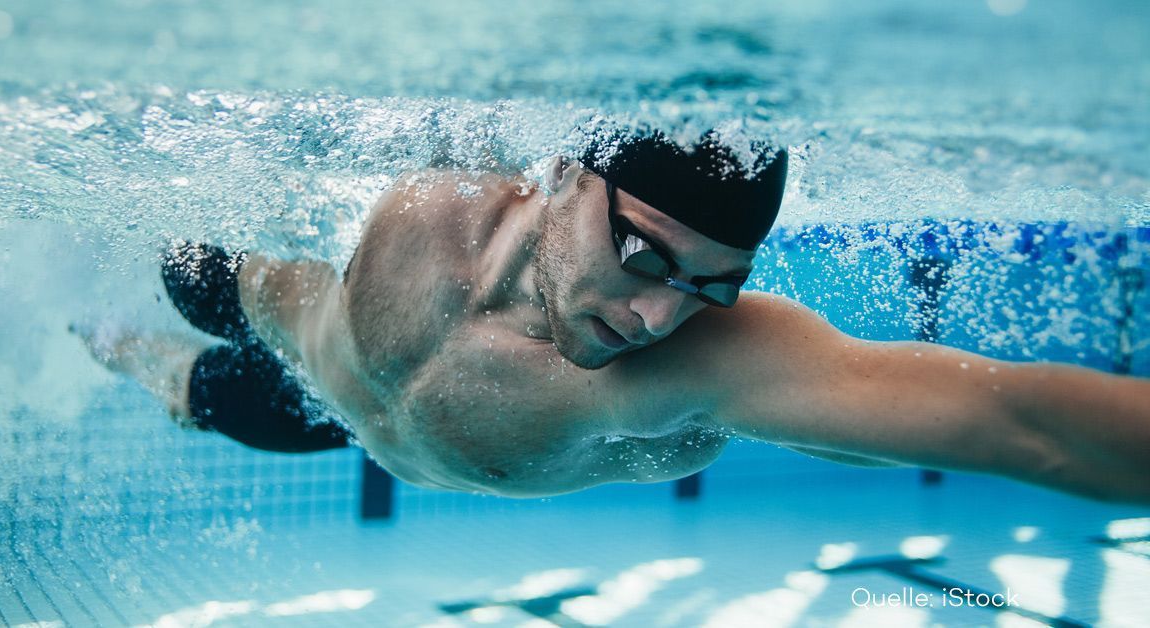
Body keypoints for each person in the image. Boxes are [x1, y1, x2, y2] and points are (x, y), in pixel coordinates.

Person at [78, 127, 1150, 503]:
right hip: (290, 324)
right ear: (558, 173)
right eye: (642, 251)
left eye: (708, 285)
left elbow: (1023, 425)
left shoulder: (699, 371)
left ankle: (130, 361)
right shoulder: (439, 183)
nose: (654, 314)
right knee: (173, 270)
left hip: (331, 419)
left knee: (192, 390)